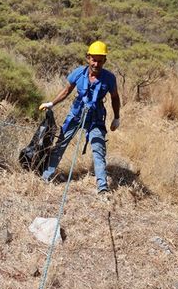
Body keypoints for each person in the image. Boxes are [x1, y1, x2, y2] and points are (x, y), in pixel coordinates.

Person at [39, 41, 120, 196]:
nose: (96, 63)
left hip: (96, 118)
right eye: (93, 59)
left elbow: (115, 97)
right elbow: (66, 90)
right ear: (88, 58)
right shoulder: (78, 73)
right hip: (76, 115)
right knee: (61, 144)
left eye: (100, 60)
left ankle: (102, 188)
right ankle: (46, 177)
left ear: (105, 61)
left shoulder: (109, 78)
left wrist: (117, 117)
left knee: (98, 149)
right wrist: (51, 103)